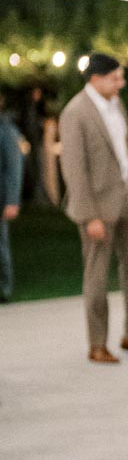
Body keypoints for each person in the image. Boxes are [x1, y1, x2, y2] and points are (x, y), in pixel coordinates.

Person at [59, 53, 128, 364]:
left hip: (125, 193)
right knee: (97, 275)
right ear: (96, 78)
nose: (121, 83)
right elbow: (74, 169)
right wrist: (89, 214)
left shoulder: (116, 105)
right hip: (97, 203)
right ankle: (97, 343)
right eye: (115, 77)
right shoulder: (75, 112)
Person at [0, 90, 24, 302]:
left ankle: (5, 289)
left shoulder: (5, 129)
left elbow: (14, 166)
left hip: (1, 198)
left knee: (1, 246)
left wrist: (12, 200)